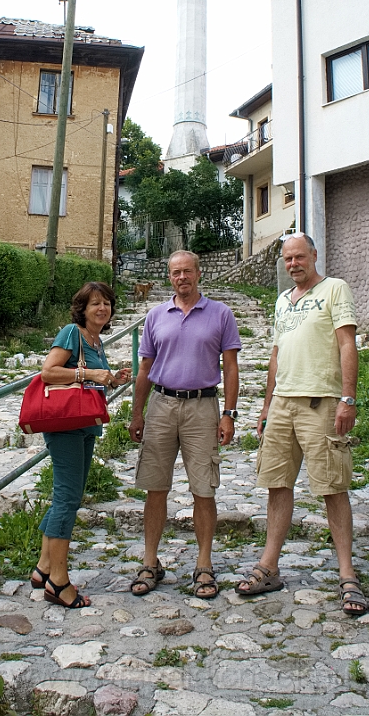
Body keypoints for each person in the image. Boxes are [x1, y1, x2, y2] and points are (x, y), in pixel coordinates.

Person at [236, 232, 368, 616]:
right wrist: (265, 406)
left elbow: (347, 344)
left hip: (321, 403)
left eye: (299, 257)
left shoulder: (334, 290)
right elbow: (276, 354)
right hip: (281, 405)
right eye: (287, 259)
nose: (293, 264)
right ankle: (269, 566)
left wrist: (348, 398)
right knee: (277, 484)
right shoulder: (281, 300)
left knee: (332, 487)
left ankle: (347, 575)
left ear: (314, 255)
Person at [128, 250, 240, 598]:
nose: (182, 278)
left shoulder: (221, 314)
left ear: (198, 273)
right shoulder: (156, 316)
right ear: (169, 276)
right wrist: (137, 413)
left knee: (203, 489)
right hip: (161, 405)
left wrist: (229, 414)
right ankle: (150, 562)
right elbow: (144, 369)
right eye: (175, 272)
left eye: (187, 271)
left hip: (203, 407)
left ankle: (204, 565)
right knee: (155, 486)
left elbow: (232, 367)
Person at [32, 281, 130, 609]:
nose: (102, 309)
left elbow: (90, 375)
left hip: (86, 424)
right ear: (82, 309)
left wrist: (112, 377)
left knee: (68, 496)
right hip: (66, 426)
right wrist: (88, 376)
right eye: (94, 304)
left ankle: (44, 567)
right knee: (67, 499)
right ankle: (59, 582)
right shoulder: (71, 333)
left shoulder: (95, 339)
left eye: (106, 303)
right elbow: (49, 372)